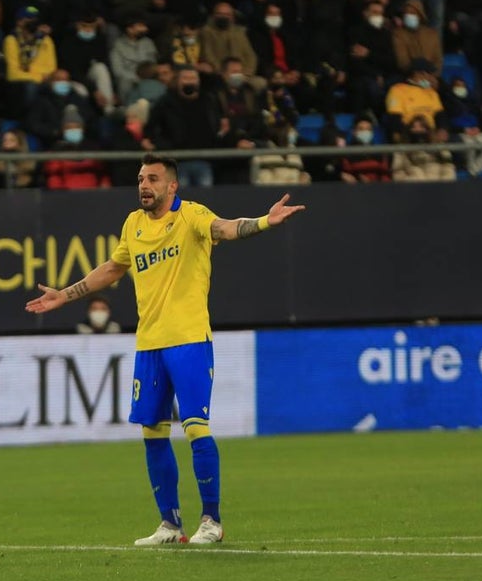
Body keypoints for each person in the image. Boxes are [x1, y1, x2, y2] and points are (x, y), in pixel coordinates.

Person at [25, 154, 304, 546]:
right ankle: (170, 525)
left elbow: (225, 228)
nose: (144, 185)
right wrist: (65, 295)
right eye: (141, 178)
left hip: (189, 340)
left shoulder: (191, 216)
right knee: (152, 432)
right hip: (150, 344)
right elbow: (113, 268)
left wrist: (263, 222)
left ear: (172, 185)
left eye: (153, 179)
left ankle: (212, 521)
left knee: (195, 427)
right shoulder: (133, 224)